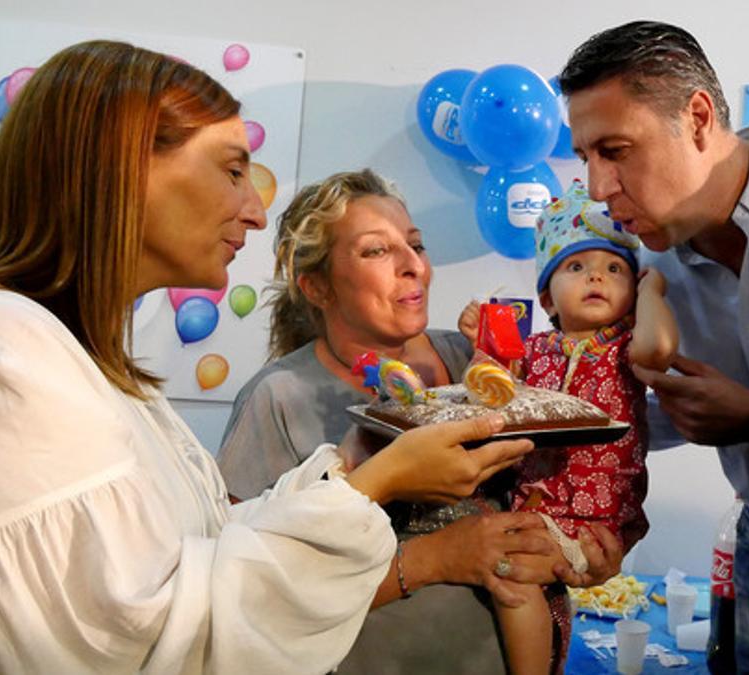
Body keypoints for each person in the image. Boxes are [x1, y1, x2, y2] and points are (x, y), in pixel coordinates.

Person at [0, 41, 538, 674]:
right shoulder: (0, 351)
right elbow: (145, 639)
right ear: (123, 166)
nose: (257, 212)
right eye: (233, 170)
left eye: (416, 244)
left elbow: (215, 546)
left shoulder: (94, 363)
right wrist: (382, 488)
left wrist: (357, 466)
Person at [217, 170, 625, 674]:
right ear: (317, 286)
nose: (413, 266)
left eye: (415, 244)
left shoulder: (475, 362)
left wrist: (581, 551)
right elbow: (251, 593)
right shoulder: (277, 398)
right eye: (375, 251)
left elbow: (554, 483)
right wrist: (437, 557)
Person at [559, 20, 749, 672]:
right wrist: (563, 423)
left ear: (695, 119)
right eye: (586, 158)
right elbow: (666, 410)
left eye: (616, 150)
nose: (599, 188)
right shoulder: (646, 261)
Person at [459, 179, 679, 674]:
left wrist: (654, 288)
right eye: (576, 267)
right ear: (549, 300)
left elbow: (660, 349)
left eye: (615, 268)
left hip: (596, 521)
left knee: (514, 577)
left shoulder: (626, 347)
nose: (596, 277)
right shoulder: (534, 349)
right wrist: (483, 345)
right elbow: (489, 397)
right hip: (536, 504)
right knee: (509, 570)